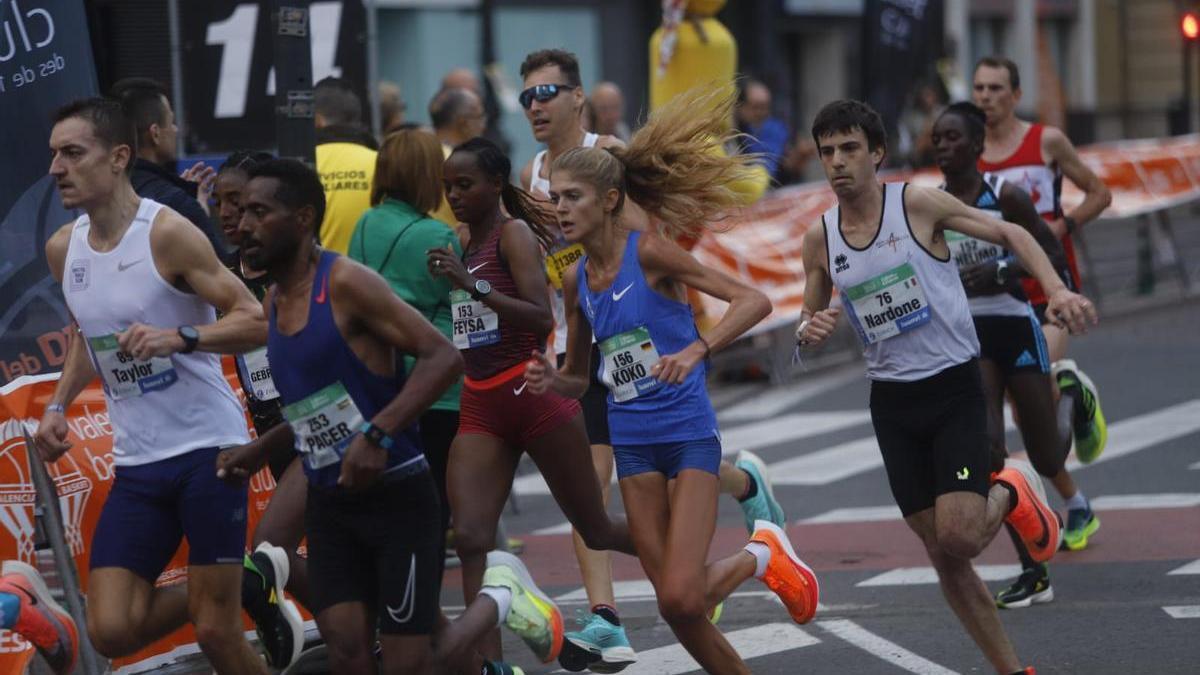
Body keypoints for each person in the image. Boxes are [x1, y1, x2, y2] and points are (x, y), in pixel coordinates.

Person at [229, 158, 566, 674]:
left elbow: (442, 356)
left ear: (301, 218)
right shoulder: (275, 300)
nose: (243, 223)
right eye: (238, 210)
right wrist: (260, 450)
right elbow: (317, 408)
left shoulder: (347, 284)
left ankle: (500, 597)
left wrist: (378, 433)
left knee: (411, 665)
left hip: (395, 497)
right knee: (349, 652)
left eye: (258, 210)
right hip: (329, 500)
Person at [525, 84, 819, 675]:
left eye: (572, 197)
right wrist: (548, 380)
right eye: (555, 198)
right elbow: (581, 381)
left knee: (683, 596)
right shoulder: (576, 280)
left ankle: (760, 553)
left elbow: (753, 300)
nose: (559, 210)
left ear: (610, 200)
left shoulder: (651, 253)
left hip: (686, 434)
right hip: (632, 445)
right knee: (676, 607)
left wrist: (697, 349)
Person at [795, 99, 1096, 674]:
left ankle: (1014, 486)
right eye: (827, 151)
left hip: (954, 384)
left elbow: (1010, 229)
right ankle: (1012, 669)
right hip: (891, 402)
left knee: (960, 536)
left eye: (850, 148)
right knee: (944, 554)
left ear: (877, 153)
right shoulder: (821, 238)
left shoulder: (915, 203)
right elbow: (807, 324)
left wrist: (1055, 290)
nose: (837, 162)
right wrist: (812, 329)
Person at [29, 97, 269, 673]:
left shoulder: (167, 234)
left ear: (118, 157)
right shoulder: (64, 249)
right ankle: (250, 584)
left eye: (72, 153)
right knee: (111, 629)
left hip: (208, 450)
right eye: (54, 155)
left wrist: (179, 337)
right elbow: (89, 336)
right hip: (139, 461)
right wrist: (58, 405)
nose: (56, 169)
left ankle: (234, 593)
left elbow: (253, 318)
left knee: (217, 632)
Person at [426, 137, 637, 666]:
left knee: (596, 527)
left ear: (495, 185)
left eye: (465, 185)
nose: (454, 195)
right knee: (471, 535)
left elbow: (541, 319)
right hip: (480, 402)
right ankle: (490, 664)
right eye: (447, 186)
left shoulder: (513, 234)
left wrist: (469, 286)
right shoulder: (460, 242)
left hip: (533, 393)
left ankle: (688, 572)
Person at [933, 102, 1098, 610]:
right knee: (989, 455)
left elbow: (1047, 253)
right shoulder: (931, 206)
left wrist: (1004, 272)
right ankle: (1033, 569)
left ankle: (1071, 395)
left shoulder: (1003, 196)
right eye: (937, 138)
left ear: (978, 146)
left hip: (1015, 326)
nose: (943, 145)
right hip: (971, 340)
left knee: (1047, 456)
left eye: (954, 137)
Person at [974, 56, 1111, 602]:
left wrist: (1060, 224)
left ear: (1016, 92)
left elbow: (1099, 191)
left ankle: (1070, 396)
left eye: (996, 88)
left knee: (1036, 379)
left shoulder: (1046, 141)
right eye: (979, 88)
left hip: (1049, 293)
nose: (986, 97)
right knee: (1020, 411)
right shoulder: (967, 154)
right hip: (997, 300)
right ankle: (1075, 504)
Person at [210, 150, 309, 667]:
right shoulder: (216, 274)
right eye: (220, 202)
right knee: (276, 547)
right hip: (260, 425)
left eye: (241, 203)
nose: (230, 215)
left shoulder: (300, 268)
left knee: (278, 546)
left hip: (316, 426)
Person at [349, 129, 462, 547]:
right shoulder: (437, 236)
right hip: (439, 385)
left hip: (383, 377)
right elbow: (458, 301)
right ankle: (426, 602)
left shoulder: (366, 223)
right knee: (434, 506)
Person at [109, 77, 224, 255]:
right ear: (155, 133)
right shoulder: (177, 204)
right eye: (171, 122)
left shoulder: (100, 197)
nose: (176, 130)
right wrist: (197, 212)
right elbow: (223, 273)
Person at [315, 76, 378, 254]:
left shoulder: (299, 166)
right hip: (375, 280)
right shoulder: (383, 163)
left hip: (315, 280)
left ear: (316, 121)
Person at [429, 87, 487, 226]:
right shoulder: (464, 164)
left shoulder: (421, 156)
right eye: (481, 116)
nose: (484, 125)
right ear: (464, 123)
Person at [735, 79, 789, 181]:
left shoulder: (775, 128)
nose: (761, 113)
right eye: (756, 107)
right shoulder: (734, 132)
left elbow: (783, 165)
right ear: (740, 107)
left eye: (765, 107)